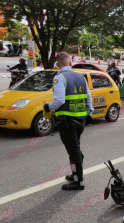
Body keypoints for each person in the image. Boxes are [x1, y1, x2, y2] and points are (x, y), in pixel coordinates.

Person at [43, 52, 94, 190]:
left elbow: (59, 100)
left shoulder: (59, 78)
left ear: (57, 64)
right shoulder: (80, 77)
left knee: (73, 151)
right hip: (80, 121)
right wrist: (90, 112)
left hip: (67, 122)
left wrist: (48, 106)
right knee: (75, 149)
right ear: (70, 63)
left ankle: (78, 181)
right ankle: (75, 174)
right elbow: (89, 98)